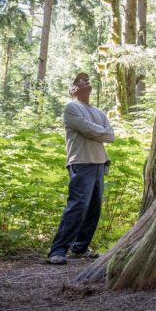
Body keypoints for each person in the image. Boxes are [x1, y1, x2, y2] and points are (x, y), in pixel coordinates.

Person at [47, 72, 115, 264]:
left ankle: (80, 247)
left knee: (94, 208)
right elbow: (89, 129)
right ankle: (57, 250)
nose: (86, 81)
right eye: (81, 80)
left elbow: (110, 136)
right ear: (74, 89)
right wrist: (99, 132)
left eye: (87, 79)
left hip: (100, 163)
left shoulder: (98, 112)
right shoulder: (72, 107)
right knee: (77, 206)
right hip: (81, 162)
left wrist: (98, 132)